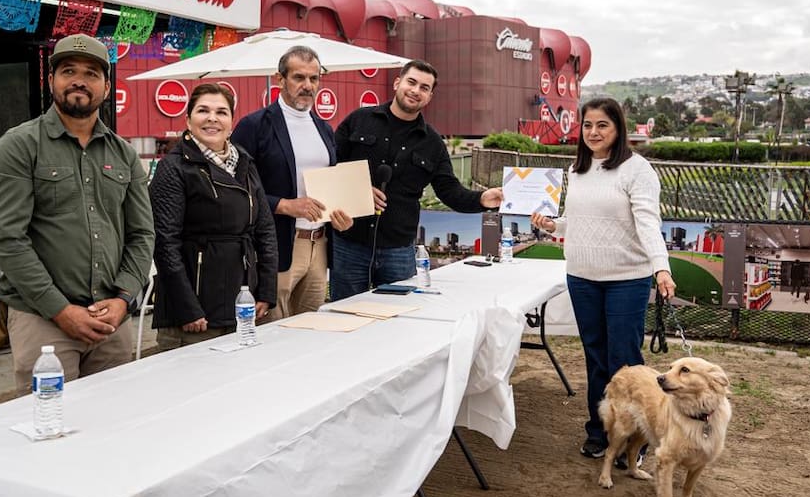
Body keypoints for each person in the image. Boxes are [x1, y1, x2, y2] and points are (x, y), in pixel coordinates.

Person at [0, 33, 153, 389]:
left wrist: (123, 298)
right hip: (43, 320)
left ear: (107, 87)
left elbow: (142, 235)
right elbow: (5, 239)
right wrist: (60, 310)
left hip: (112, 320)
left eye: (92, 73)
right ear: (51, 81)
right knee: (49, 431)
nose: (79, 80)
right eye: (68, 71)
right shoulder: (18, 146)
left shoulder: (123, 154)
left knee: (113, 426)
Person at [531, 96, 676, 460]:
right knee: (595, 358)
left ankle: (633, 439)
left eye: (602, 125)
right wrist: (553, 225)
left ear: (618, 128)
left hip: (627, 279)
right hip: (582, 277)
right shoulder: (576, 169)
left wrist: (661, 266)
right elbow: (580, 221)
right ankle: (600, 431)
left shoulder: (637, 169)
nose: (593, 132)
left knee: (625, 362)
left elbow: (646, 222)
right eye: (587, 125)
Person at [330, 59, 502, 299]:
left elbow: (448, 190)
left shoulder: (432, 143)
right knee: (343, 315)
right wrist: (358, 189)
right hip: (350, 244)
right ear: (397, 83)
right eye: (411, 82)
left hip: (398, 251)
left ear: (430, 97)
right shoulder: (359, 120)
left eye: (424, 87)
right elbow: (331, 166)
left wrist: (482, 199)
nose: (415, 90)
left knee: (398, 323)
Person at [149, 83, 278, 347]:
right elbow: (164, 244)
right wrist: (187, 308)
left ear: (231, 121)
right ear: (188, 119)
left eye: (221, 112)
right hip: (196, 313)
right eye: (202, 110)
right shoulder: (173, 168)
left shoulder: (245, 162)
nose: (212, 118)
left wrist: (266, 290)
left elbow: (265, 230)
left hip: (242, 304)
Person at [230, 46, 351, 319]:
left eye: (314, 78)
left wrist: (341, 214)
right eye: (299, 77)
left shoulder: (324, 128)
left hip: (318, 245)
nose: (307, 86)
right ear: (280, 79)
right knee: (273, 333)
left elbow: (329, 185)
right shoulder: (254, 126)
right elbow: (235, 186)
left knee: (310, 332)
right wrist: (284, 205)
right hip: (279, 244)